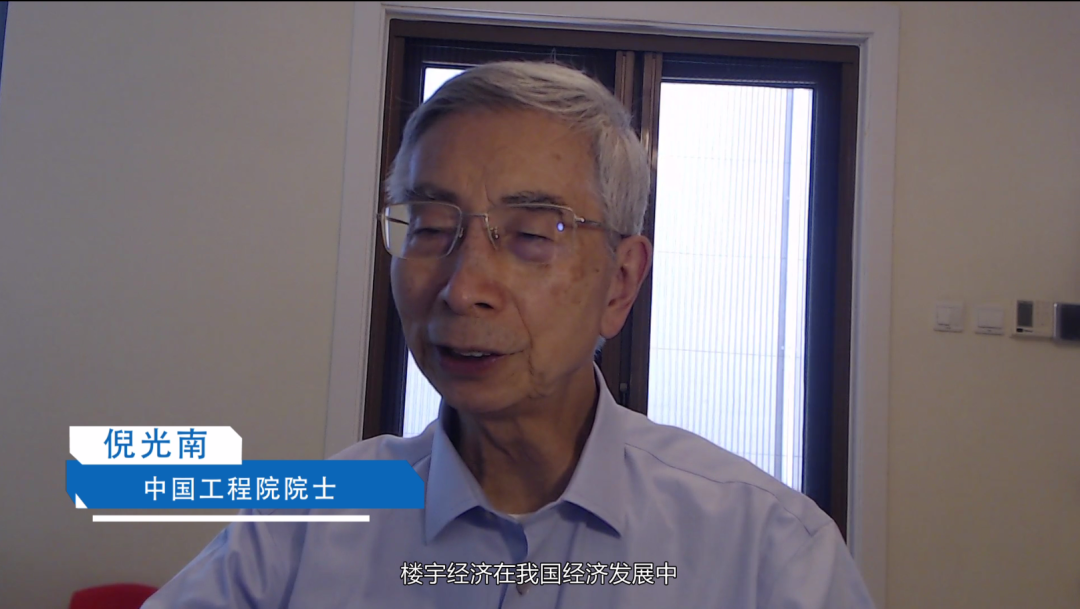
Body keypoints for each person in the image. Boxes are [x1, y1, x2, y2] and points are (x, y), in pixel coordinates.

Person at [144, 61, 875, 608]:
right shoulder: (297, 530)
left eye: (530, 234)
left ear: (620, 282)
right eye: (430, 227)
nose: (463, 288)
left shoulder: (770, 550)